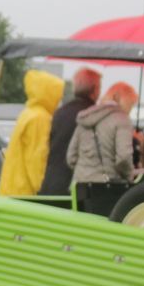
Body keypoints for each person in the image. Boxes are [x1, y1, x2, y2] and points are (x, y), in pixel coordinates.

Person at [69, 81, 138, 213]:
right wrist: (129, 178)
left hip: (78, 187)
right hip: (105, 190)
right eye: (131, 103)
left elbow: (71, 157)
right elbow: (123, 158)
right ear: (124, 99)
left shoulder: (85, 117)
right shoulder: (122, 119)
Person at [0, 69, 63, 196]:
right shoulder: (40, 118)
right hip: (24, 193)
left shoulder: (28, 113)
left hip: (12, 189)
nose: (58, 100)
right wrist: (42, 190)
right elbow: (36, 158)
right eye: (57, 95)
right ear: (48, 94)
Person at [40, 66, 100, 197]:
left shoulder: (59, 113)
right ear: (95, 90)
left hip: (50, 183)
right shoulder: (95, 116)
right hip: (77, 189)